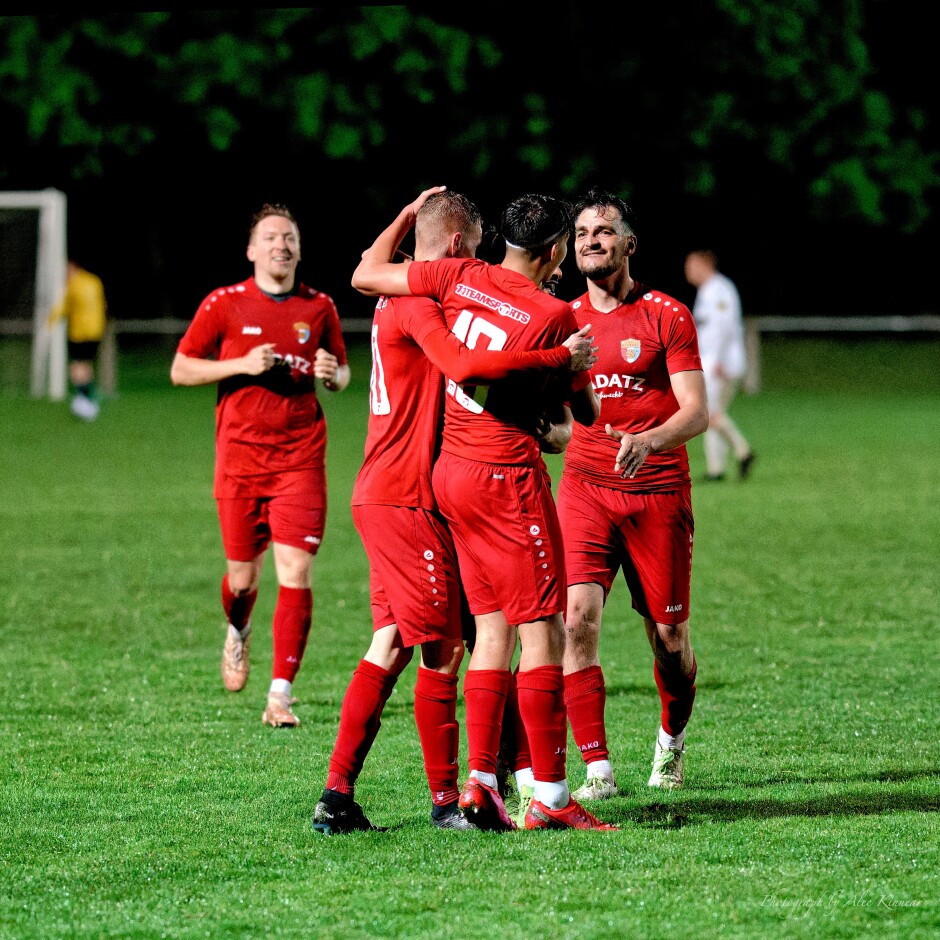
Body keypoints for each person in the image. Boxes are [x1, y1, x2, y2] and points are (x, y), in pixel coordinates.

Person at [312, 189, 597, 834]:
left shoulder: (423, 291)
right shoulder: (421, 305)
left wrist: (408, 211)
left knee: (428, 639)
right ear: (461, 247)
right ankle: (452, 801)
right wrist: (558, 360)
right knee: (443, 649)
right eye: (471, 247)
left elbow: (364, 268)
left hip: (402, 489)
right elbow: (468, 367)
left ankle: (359, 793)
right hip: (408, 495)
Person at [170, 203, 349, 728]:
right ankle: (238, 628)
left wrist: (331, 375)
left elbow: (341, 372)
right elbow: (180, 369)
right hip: (240, 463)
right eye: (270, 237)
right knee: (243, 580)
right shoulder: (223, 304)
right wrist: (242, 365)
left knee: (296, 572)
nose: (281, 245)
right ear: (251, 250)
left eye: (289, 237)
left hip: (300, 459)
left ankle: (280, 695)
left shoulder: (319, 307)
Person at [557, 188, 709, 799]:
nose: (592, 240)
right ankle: (597, 770)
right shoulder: (563, 320)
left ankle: (670, 741)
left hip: (657, 494)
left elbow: (696, 411)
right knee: (576, 622)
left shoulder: (667, 315)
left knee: (670, 641)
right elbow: (559, 411)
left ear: (629, 244)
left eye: (604, 231)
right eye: (583, 232)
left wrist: (649, 440)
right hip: (585, 490)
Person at [683, 249, 756, 481]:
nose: (688, 271)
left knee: (709, 413)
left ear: (705, 265)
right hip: (713, 361)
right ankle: (717, 469)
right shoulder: (709, 291)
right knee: (712, 413)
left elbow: (724, 328)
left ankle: (743, 450)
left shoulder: (719, 289)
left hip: (720, 363)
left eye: (692, 265)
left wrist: (720, 360)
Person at [47, 257, 108, 421]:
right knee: (86, 364)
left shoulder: (74, 284)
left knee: (77, 366)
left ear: (72, 267)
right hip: (96, 330)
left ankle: (84, 399)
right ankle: (90, 399)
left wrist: (51, 319)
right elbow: (102, 304)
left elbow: (65, 305)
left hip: (80, 331)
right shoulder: (94, 281)